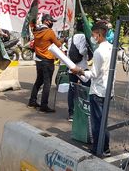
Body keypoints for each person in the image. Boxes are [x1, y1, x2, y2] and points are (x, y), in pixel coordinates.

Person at [71, 23, 113, 157]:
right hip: (108, 89)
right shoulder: (112, 48)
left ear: (99, 35)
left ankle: (98, 148)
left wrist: (80, 71)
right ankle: (105, 147)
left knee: (97, 122)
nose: (92, 37)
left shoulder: (98, 51)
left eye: (93, 34)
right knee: (103, 121)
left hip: (98, 90)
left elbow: (94, 74)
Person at [28, 14, 62, 113]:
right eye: (51, 21)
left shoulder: (36, 31)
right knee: (47, 83)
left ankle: (32, 101)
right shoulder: (49, 32)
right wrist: (62, 40)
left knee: (38, 81)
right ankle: (44, 105)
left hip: (39, 59)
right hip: (47, 60)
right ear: (47, 21)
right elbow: (58, 44)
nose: (52, 23)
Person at [67, 20, 92, 122]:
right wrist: (88, 49)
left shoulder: (71, 38)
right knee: (87, 87)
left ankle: (71, 113)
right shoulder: (83, 37)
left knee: (71, 89)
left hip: (71, 67)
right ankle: (86, 110)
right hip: (81, 67)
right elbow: (82, 51)